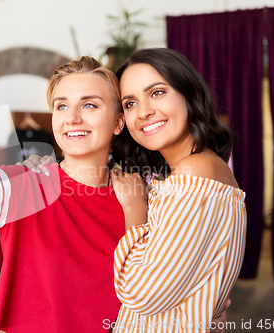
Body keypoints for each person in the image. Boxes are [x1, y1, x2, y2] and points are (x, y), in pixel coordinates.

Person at [0, 52, 229, 333]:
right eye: (61, 106)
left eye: (90, 105)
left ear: (118, 122)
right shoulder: (28, 185)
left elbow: (174, 280)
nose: (72, 117)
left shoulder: (141, 194)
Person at [109, 48, 246, 332]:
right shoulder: (192, 170)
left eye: (157, 92)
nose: (144, 111)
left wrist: (135, 208)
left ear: (188, 94)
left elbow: (140, 294)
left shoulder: (195, 171)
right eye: (131, 103)